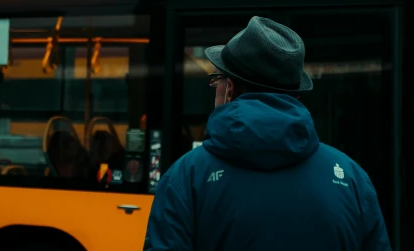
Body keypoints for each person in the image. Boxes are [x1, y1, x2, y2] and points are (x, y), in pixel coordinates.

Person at [143, 16, 391, 251]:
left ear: (229, 90)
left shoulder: (187, 178)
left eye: (216, 79)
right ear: (295, 94)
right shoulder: (350, 179)